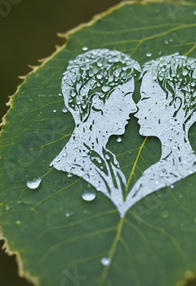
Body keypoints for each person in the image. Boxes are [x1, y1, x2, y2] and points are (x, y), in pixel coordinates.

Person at [119, 54, 196, 216]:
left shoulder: (174, 172)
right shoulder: (165, 169)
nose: (137, 108)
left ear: (176, 104)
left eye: (146, 98)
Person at [51, 49, 140, 210]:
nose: (133, 107)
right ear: (98, 101)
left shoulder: (106, 159)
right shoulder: (73, 164)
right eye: (126, 96)